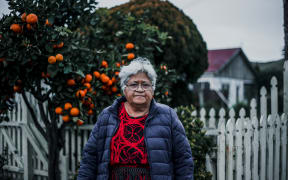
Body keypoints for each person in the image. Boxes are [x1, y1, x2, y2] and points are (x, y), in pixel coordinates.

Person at [77, 57, 194, 180]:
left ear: (152, 89)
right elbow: (89, 159)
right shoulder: (108, 116)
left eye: (145, 84)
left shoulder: (167, 116)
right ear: (124, 88)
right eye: (134, 84)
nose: (139, 89)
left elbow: (183, 160)